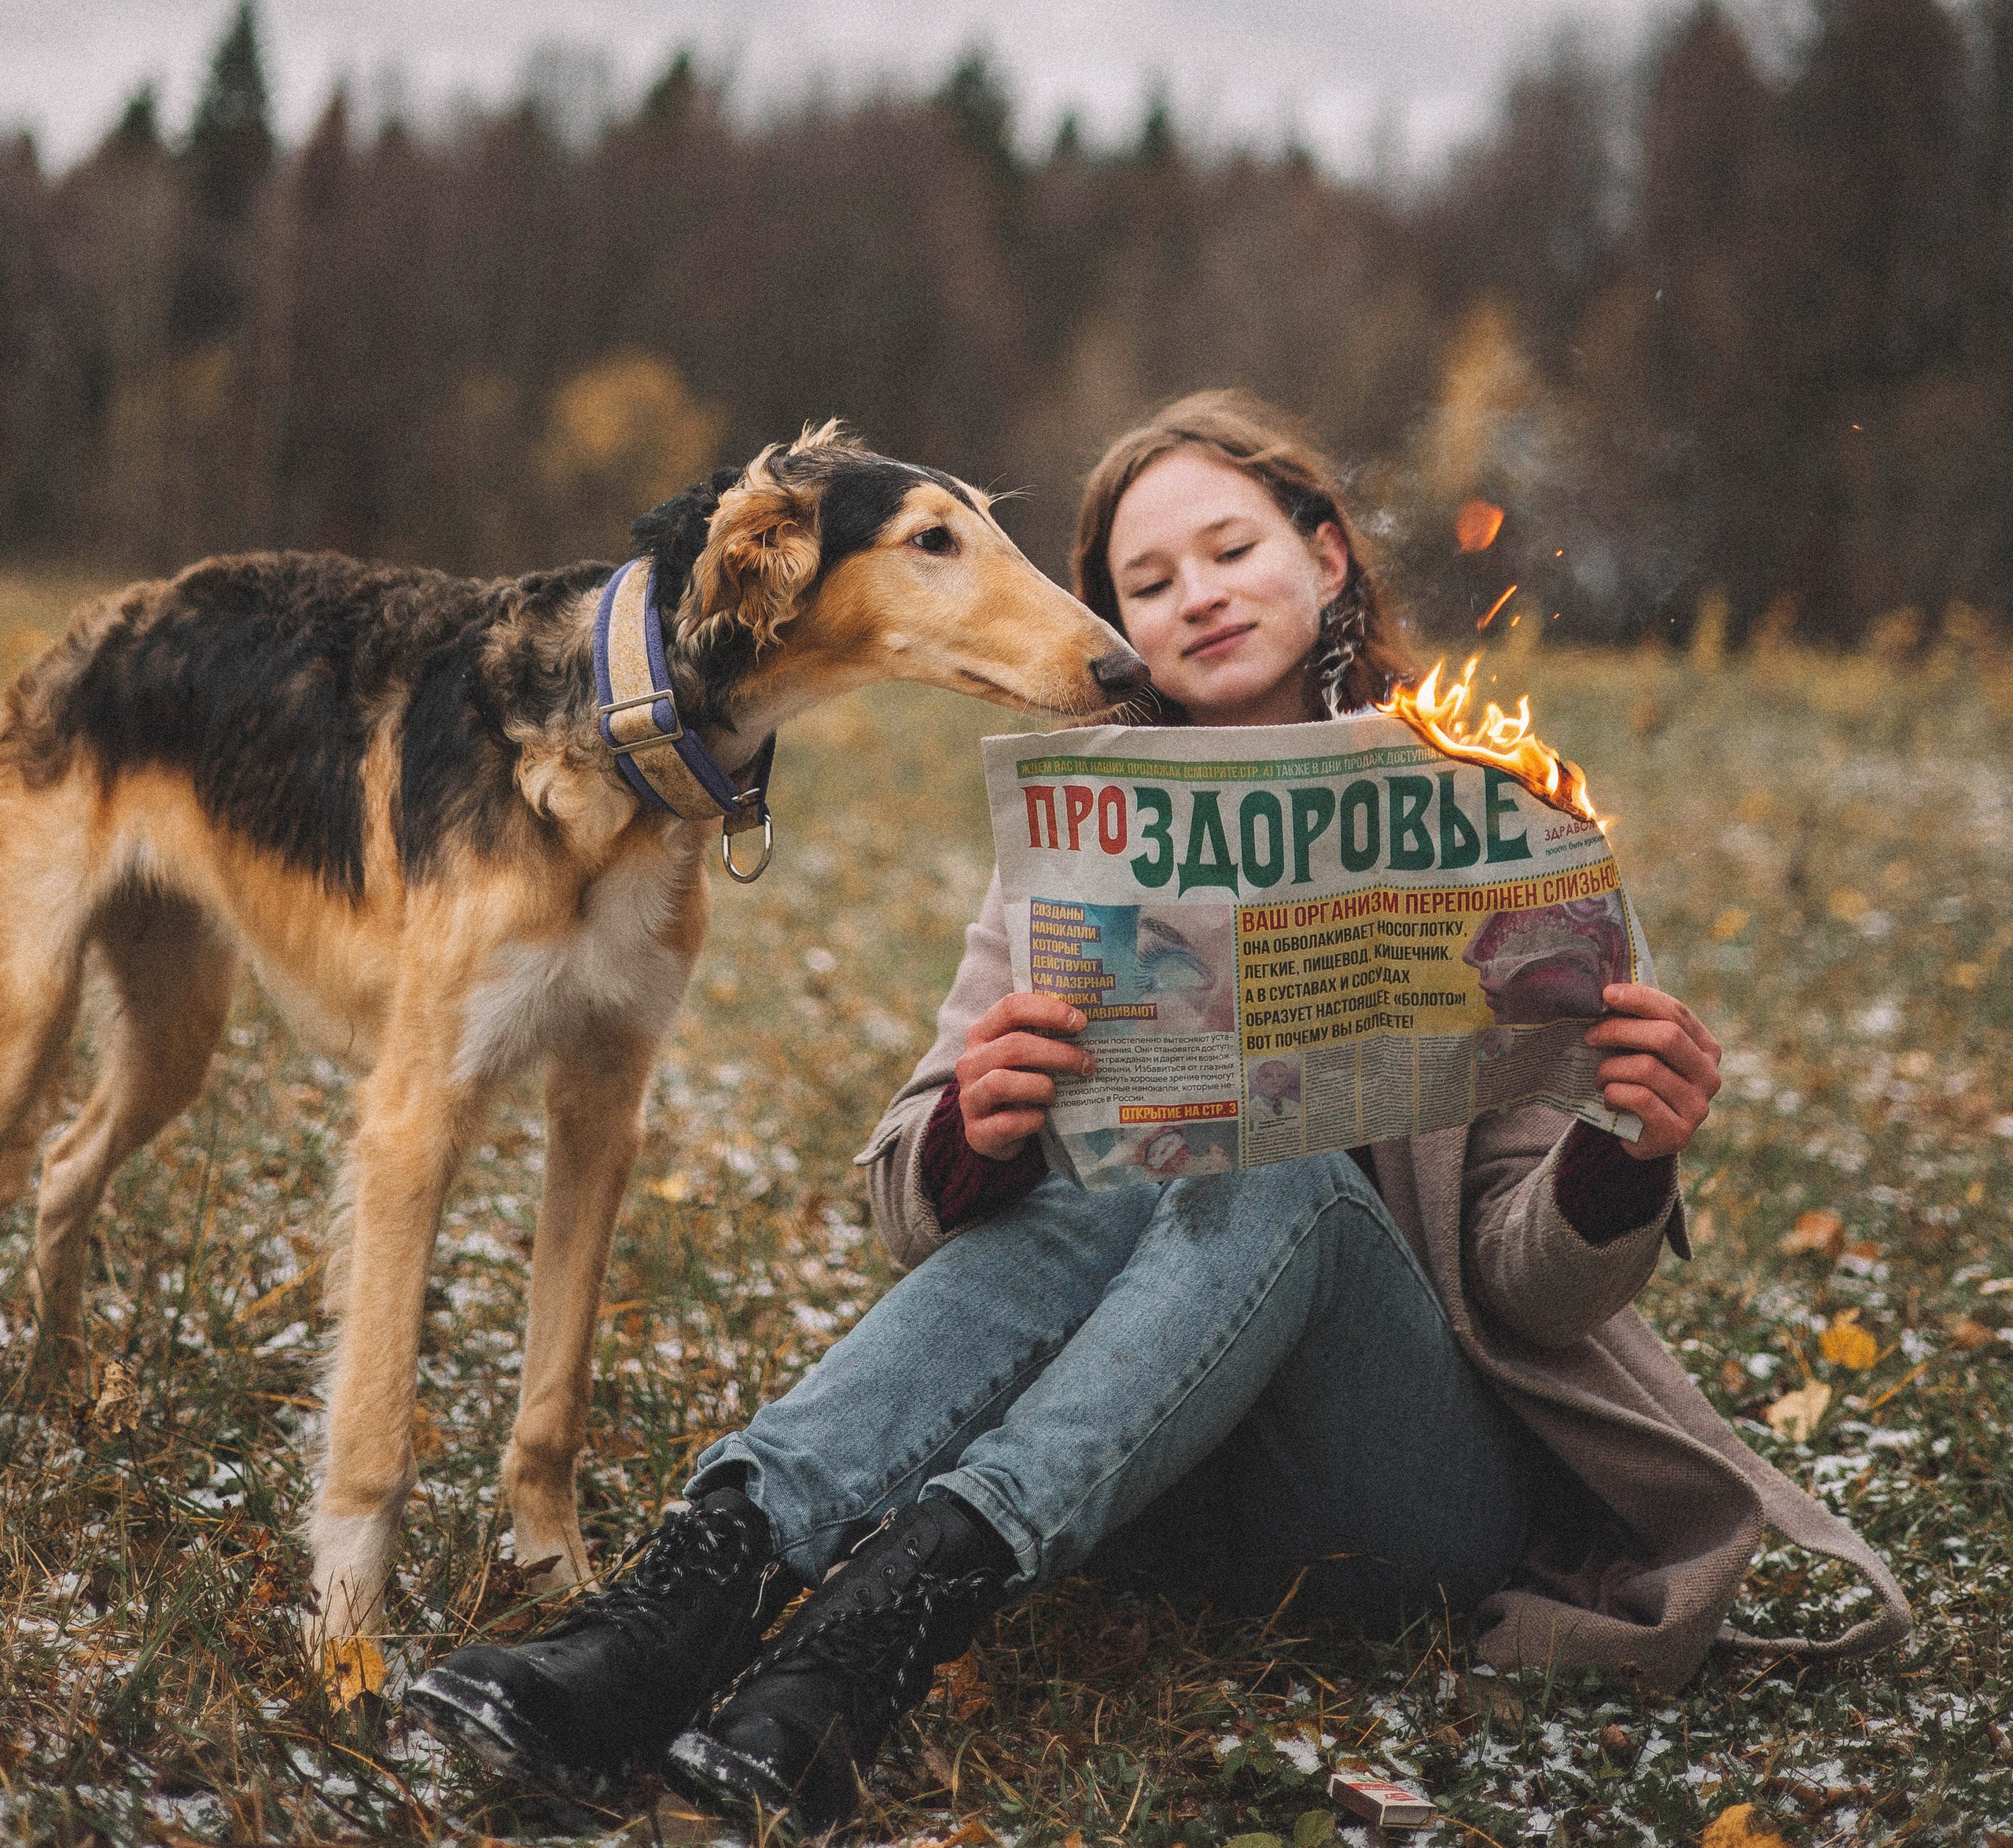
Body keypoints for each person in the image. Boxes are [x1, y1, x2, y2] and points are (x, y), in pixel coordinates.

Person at [411, 389, 1908, 1830]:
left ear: (1325, 555)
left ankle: (869, 1637)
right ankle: (686, 1606)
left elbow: (1533, 1289)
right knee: (1124, 1163)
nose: (1193, 595)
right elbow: (898, 1206)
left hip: (1389, 1495)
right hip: (1133, 1496)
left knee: (1275, 1173)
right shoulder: (1083, 838)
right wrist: (970, 1126)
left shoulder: (1498, 815)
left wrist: (1622, 1153)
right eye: (1145, 579)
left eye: (1231, 548)